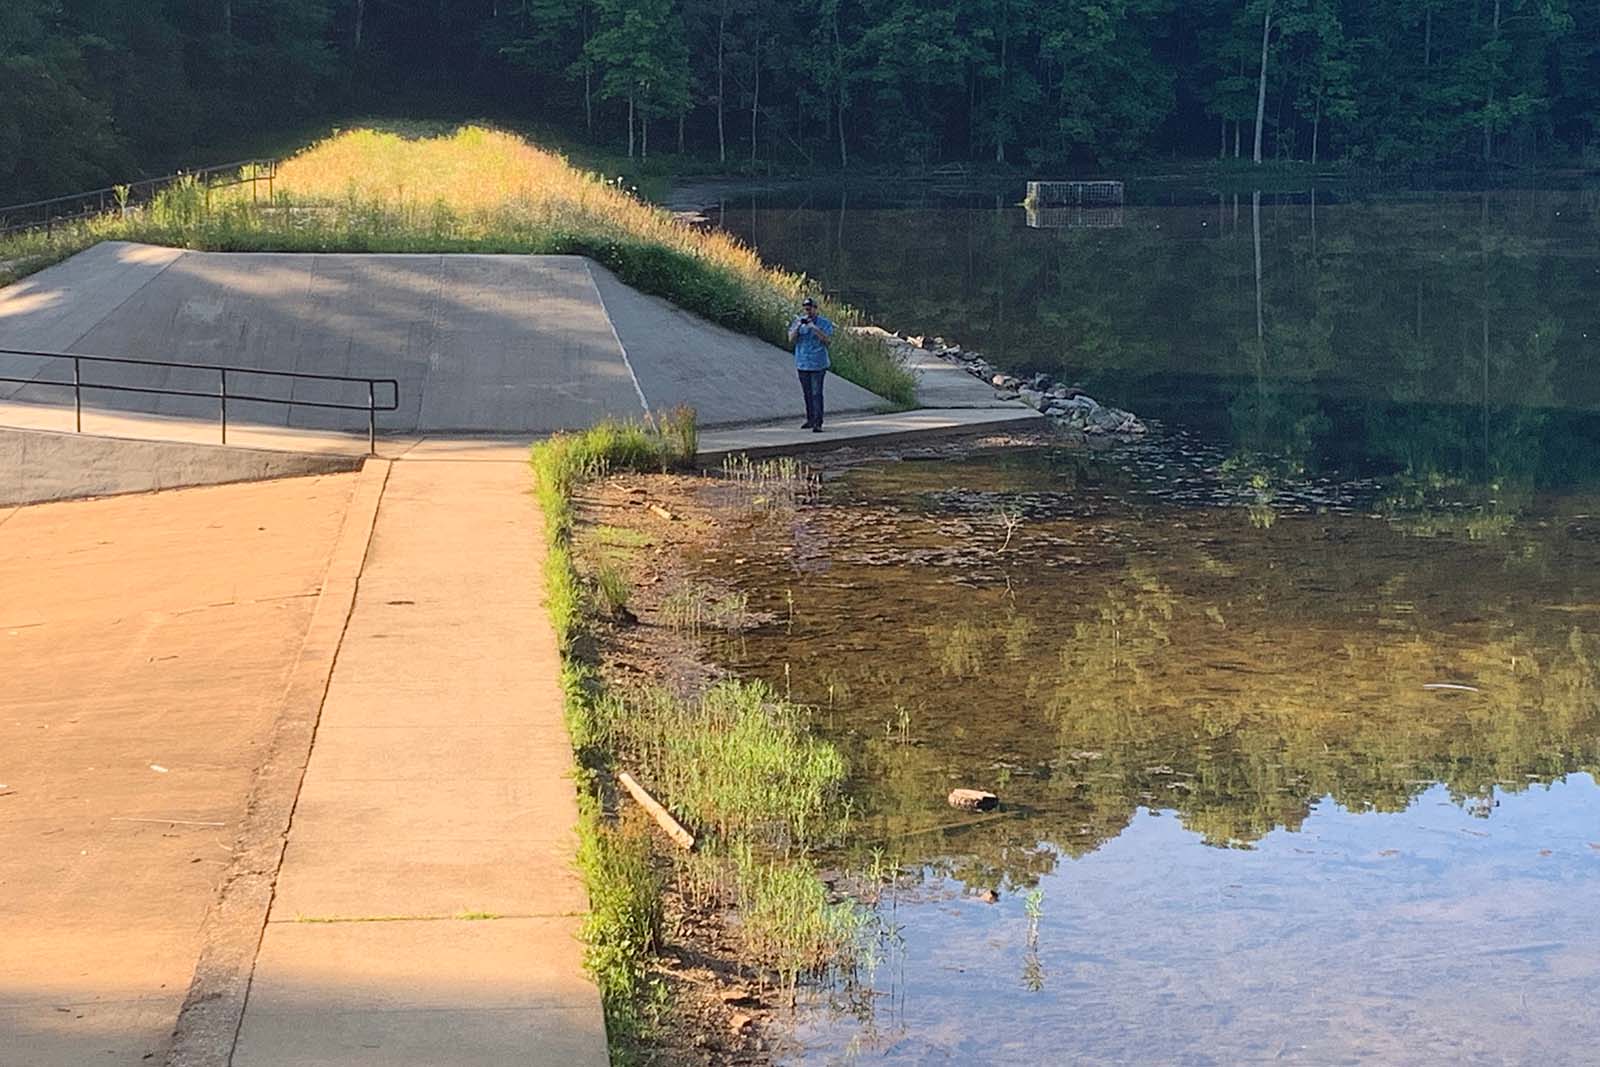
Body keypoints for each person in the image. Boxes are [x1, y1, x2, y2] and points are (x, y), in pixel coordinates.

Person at [788, 296, 834, 432]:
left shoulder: (823, 323)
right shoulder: (798, 322)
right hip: (802, 362)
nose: (807, 312)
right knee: (807, 393)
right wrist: (797, 327)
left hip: (818, 363)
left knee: (816, 393)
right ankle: (810, 419)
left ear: (815, 309)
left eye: (810, 309)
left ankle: (818, 422)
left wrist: (813, 327)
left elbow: (827, 340)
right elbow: (791, 339)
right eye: (805, 309)